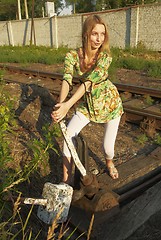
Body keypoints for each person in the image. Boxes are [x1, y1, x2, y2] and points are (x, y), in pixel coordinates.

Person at [51, 14, 123, 184]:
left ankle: (109, 162)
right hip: (88, 105)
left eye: (102, 34)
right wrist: (61, 105)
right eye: (94, 34)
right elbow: (67, 80)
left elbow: (89, 82)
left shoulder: (105, 57)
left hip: (109, 104)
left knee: (108, 148)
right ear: (86, 34)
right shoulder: (72, 56)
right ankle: (66, 181)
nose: (99, 39)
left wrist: (68, 105)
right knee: (68, 137)